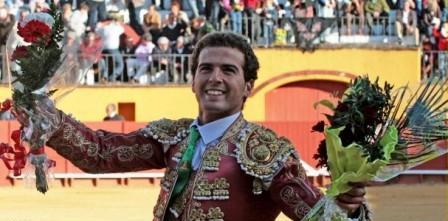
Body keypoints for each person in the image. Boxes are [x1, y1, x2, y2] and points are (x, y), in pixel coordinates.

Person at [16, 32, 368, 221]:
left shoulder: (266, 151)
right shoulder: (172, 136)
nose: (215, 78)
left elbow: (316, 216)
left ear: (248, 88)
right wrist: (49, 118)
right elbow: (100, 154)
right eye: (206, 68)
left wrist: (349, 212)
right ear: (193, 80)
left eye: (228, 70)